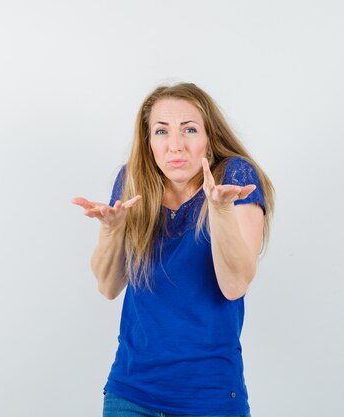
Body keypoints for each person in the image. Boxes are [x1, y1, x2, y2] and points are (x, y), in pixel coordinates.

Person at [72, 83, 274, 417]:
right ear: (149, 142)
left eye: (189, 130)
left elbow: (234, 284)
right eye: (161, 131)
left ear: (209, 138)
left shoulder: (233, 177)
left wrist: (219, 210)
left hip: (210, 396)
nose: (175, 146)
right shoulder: (134, 180)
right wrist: (112, 228)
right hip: (131, 392)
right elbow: (108, 287)